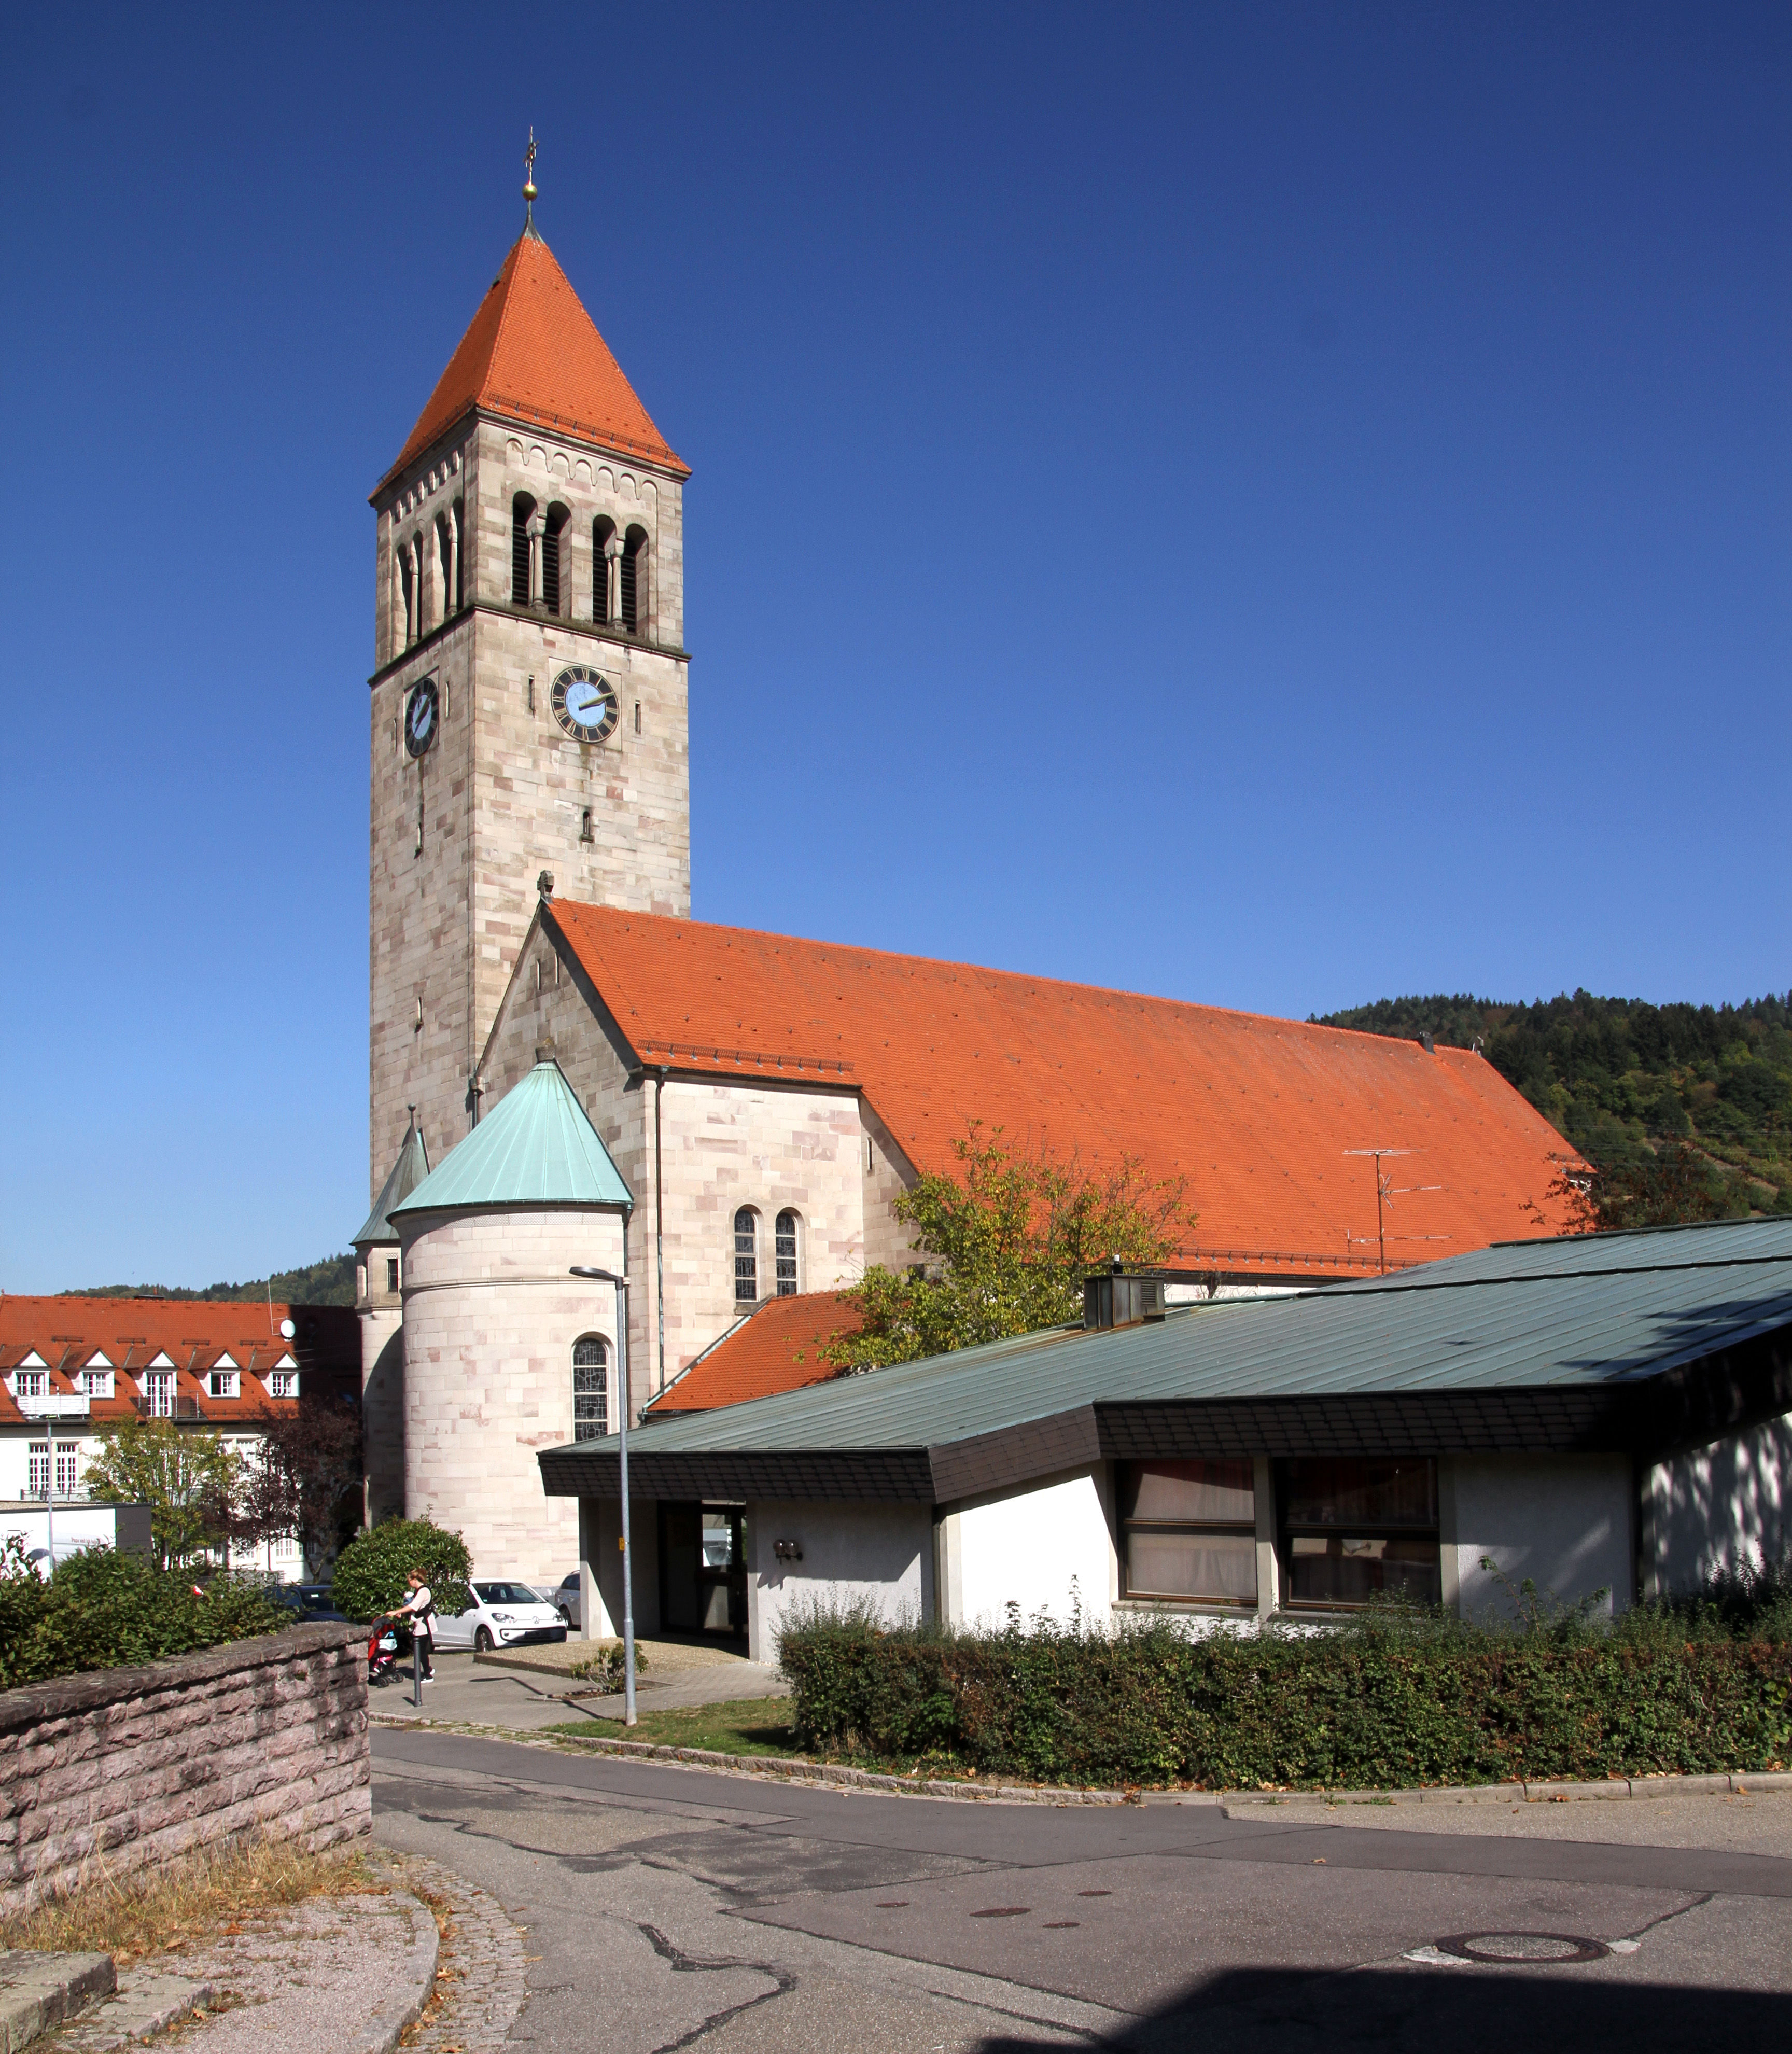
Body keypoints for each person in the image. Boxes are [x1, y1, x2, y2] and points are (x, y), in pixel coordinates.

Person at [390, 1567, 436, 1679]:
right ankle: (428, 1669)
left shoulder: (423, 1591)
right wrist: (402, 1614)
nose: (409, 1584)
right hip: (419, 1623)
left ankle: (428, 1675)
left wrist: (397, 1611)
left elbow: (413, 1606)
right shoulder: (418, 1591)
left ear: (415, 1580)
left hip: (424, 1624)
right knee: (419, 1649)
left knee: (420, 1650)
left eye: (409, 1581)